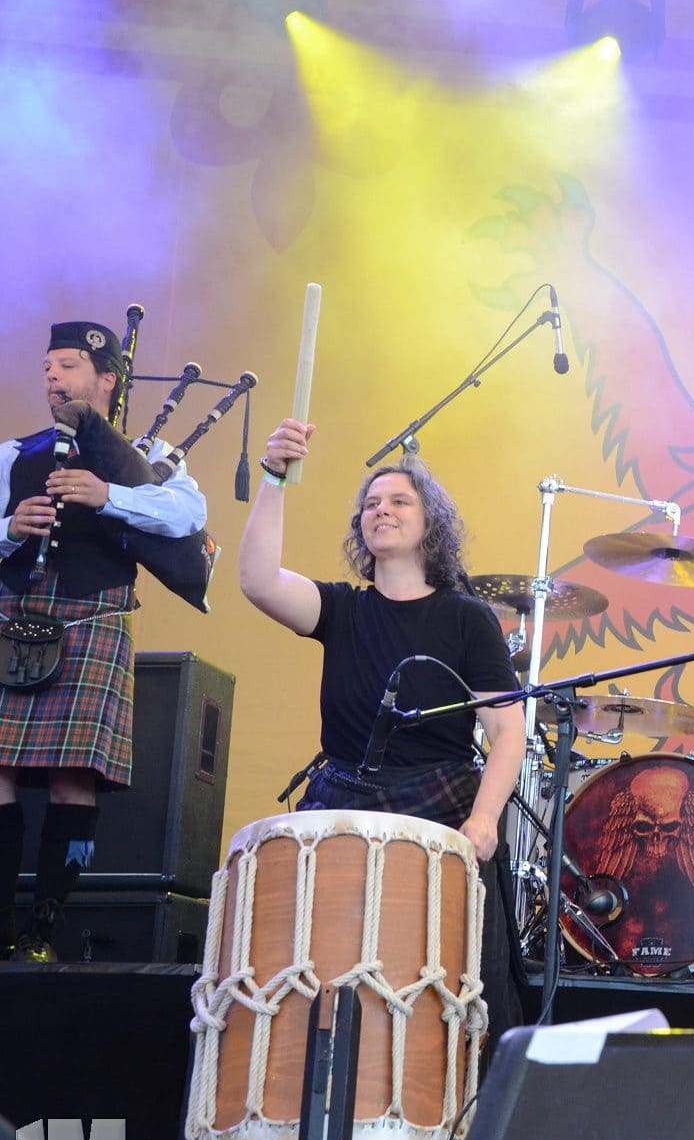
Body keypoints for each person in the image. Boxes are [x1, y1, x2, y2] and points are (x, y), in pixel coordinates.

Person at [237, 418, 527, 1035]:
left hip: (439, 809)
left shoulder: (467, 619)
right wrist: (274, 477)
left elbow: (508, 733)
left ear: (431, 525)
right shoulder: (341, 608)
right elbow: (258, 581)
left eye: (399, 501)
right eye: (371, 504)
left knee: (440, 983)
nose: (381, 510)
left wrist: (482, 821)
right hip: (342, 800)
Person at [0, 322, 207, 961]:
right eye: (47, 367)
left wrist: (108, 494)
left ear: (108, 379)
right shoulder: (16, 452)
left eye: (67, 365)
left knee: (73, 780)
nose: (52, 377)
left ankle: (39, 933)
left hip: (92, 619)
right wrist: (10, 528)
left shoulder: (150, 455)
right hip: (12, 616)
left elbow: (188, 519)